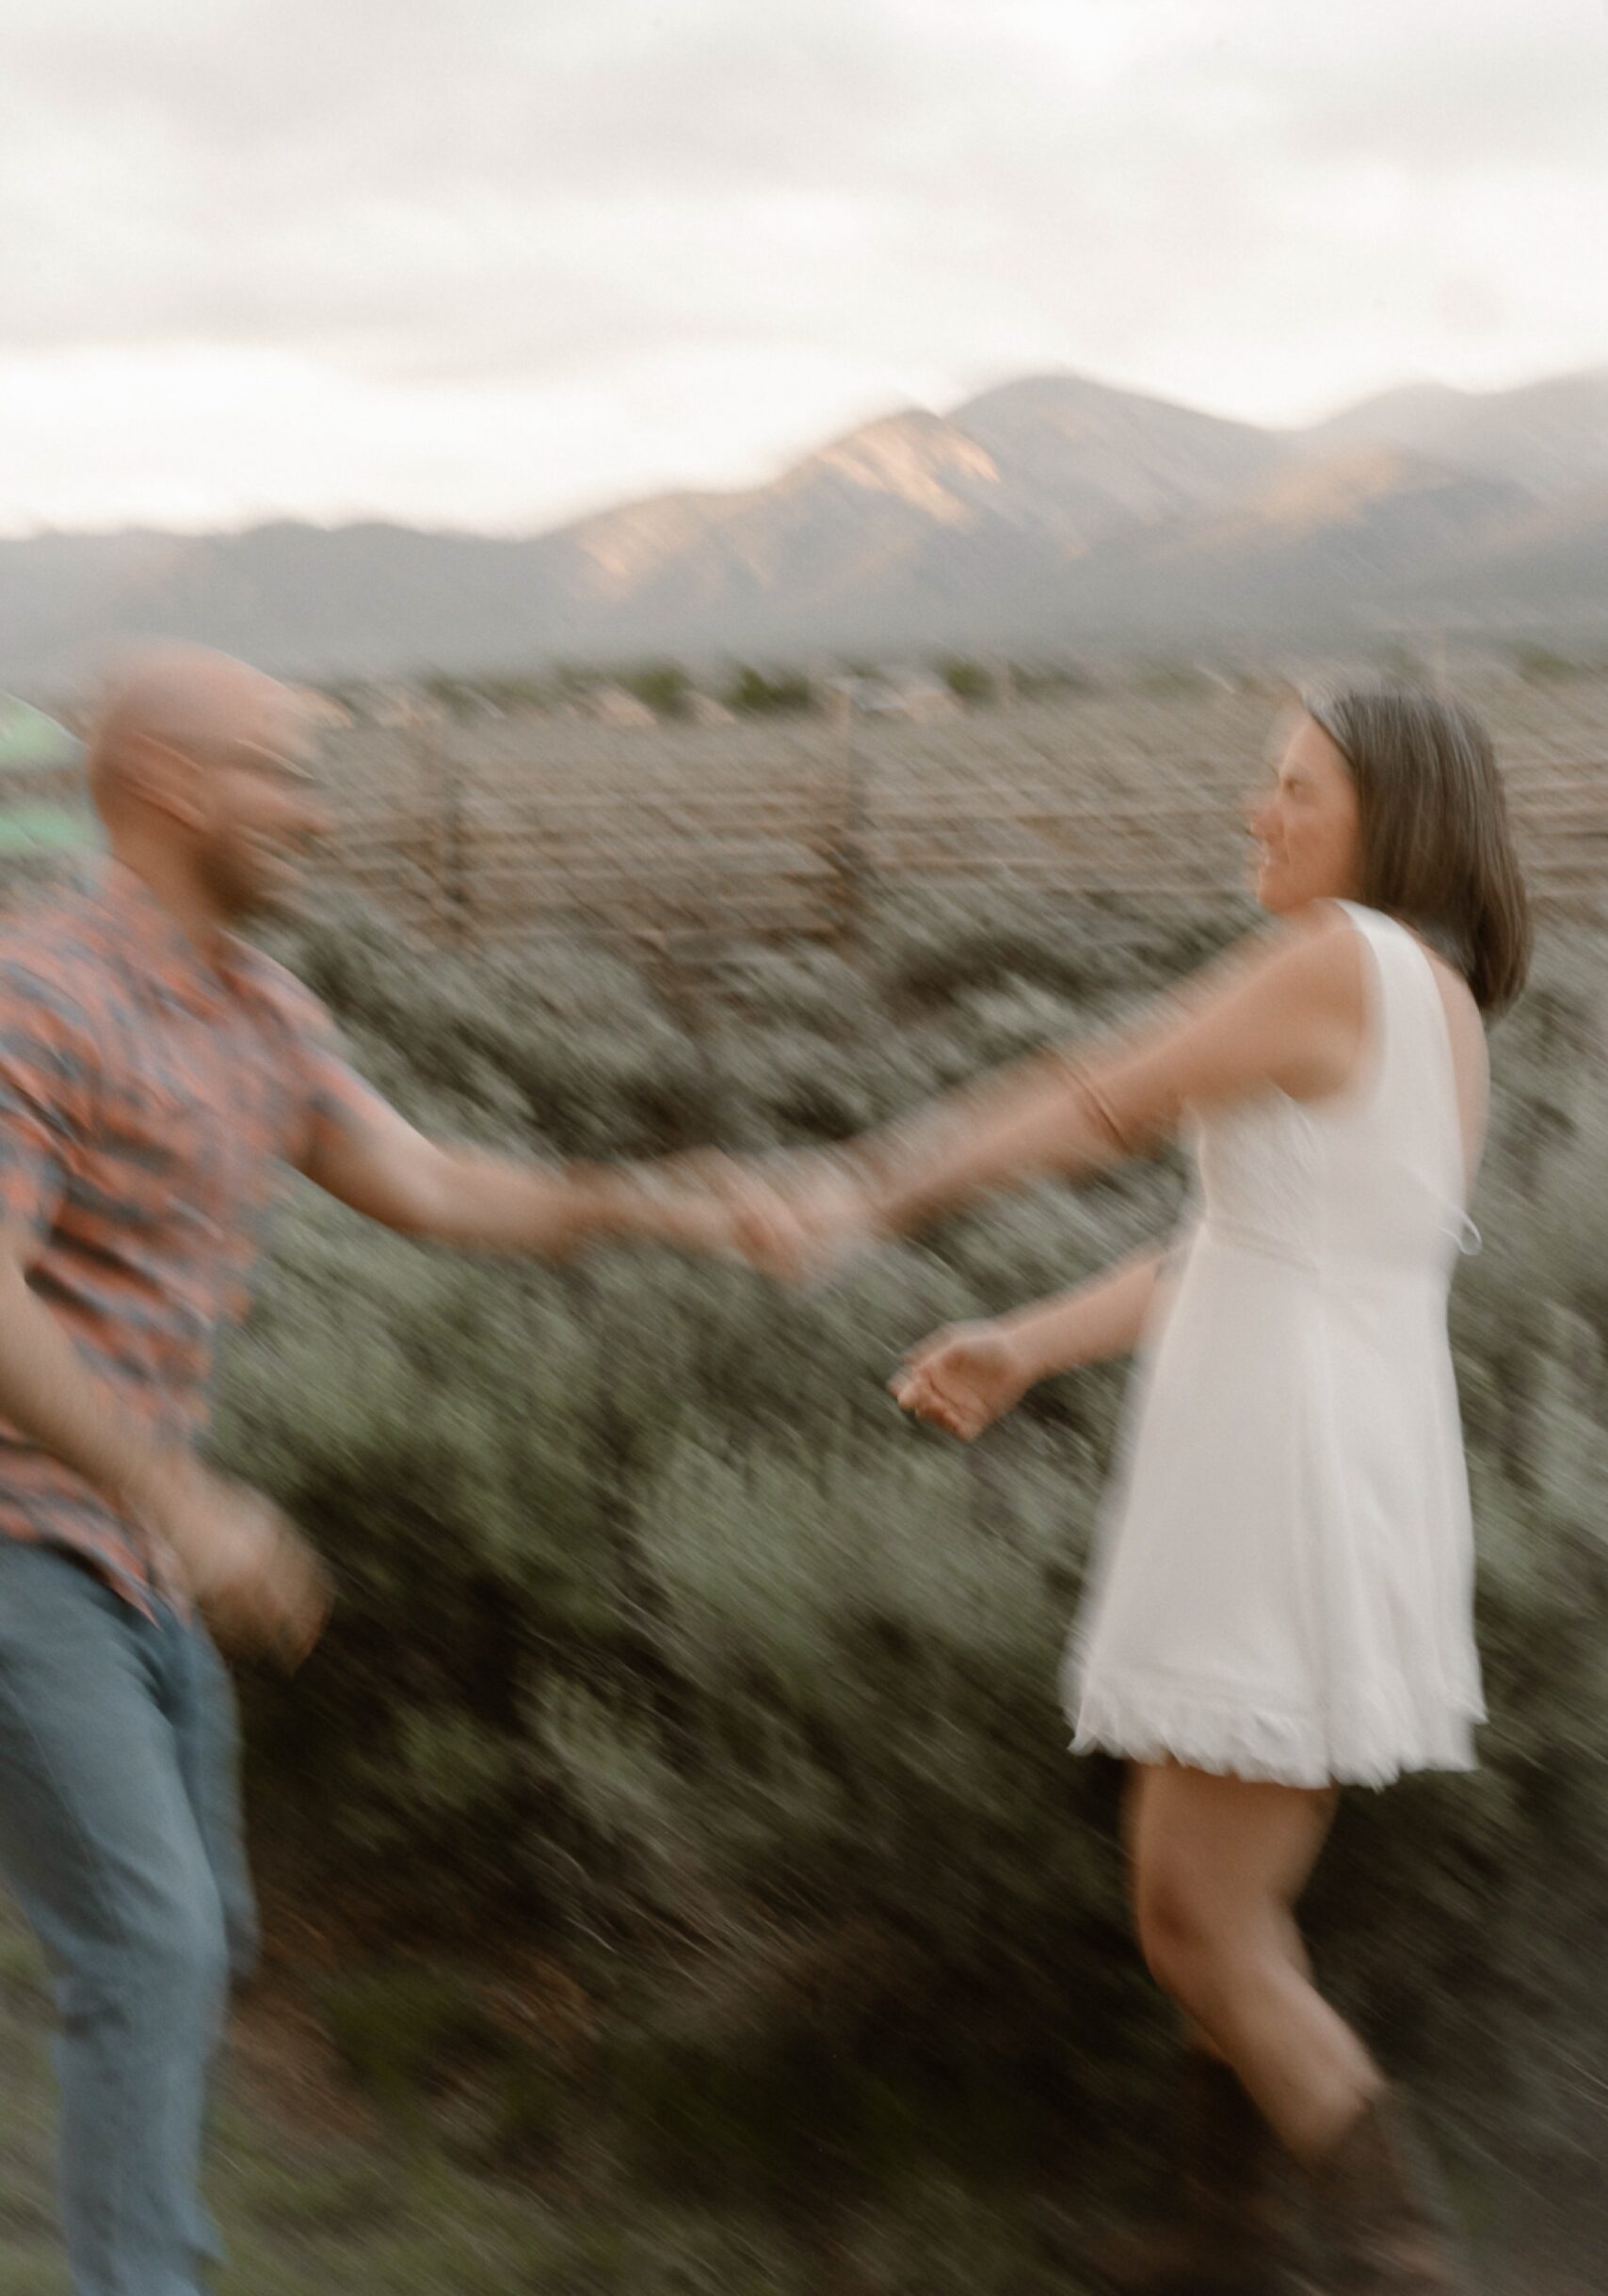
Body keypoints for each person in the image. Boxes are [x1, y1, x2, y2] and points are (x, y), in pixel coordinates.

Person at [726, 686, 1531, 2295]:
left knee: (1205, 1925)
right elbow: (1242, 1246)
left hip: (1280, 1475)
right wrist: (1026, 1344)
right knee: (1210, 1909)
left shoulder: (1334, 963)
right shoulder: (1433, 998)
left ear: (1391, 819)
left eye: (1293, 787)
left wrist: (866, 1189)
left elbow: (1101, 1094)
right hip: (1327, 1456)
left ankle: (1399, 2261)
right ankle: (1218, 2236)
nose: (1257, 811)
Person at [0, 645, 728, 2296]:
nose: (316, 815)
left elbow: (430, 1181)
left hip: (134, 1559)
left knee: (195, 1951)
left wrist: (658, 1200)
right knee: (154, 1946)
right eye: (287, 773)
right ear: (179, 787)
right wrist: (184, 1494)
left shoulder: (264, 1010)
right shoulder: (34, 992)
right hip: (25, 1540)